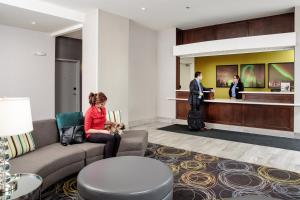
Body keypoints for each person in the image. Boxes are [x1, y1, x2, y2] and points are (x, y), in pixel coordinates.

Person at [84, 92, 121, 158]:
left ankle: (113, 158)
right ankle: (107, 160)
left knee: (118, 137)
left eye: (104, 103)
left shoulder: (103, 109)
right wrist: (103, 131)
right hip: (91, 135)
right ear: (97, 103)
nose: (104, 105)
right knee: (111, 138)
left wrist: (113, 123)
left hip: (101, 131)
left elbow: (103, 121)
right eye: (102, 104)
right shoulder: (89, 112)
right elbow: (87, 130)